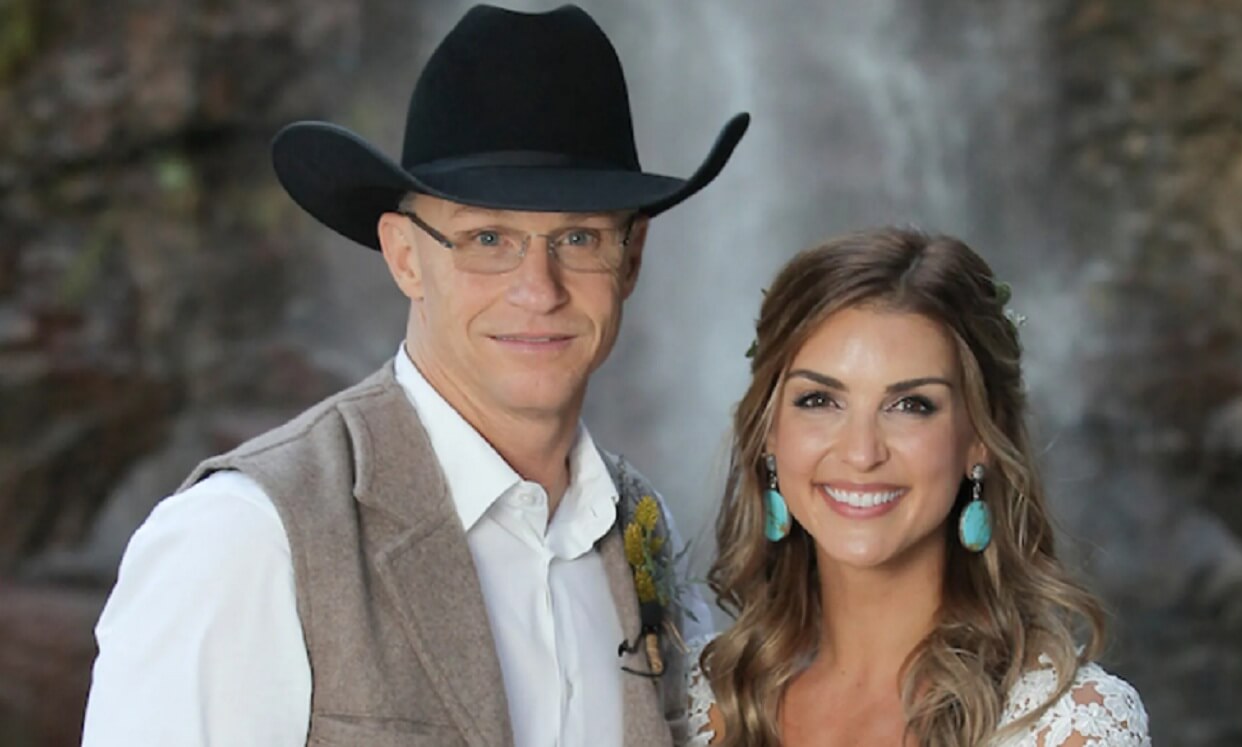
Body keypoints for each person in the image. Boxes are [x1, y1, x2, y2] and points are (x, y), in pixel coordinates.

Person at [82, 5, 749, 746]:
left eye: (578, 236)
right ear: (404, 256)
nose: (539, 288)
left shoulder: (645, 537)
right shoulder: (247, 536)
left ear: (631, 258)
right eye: (486, 238)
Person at [685, 229, 1149, 746]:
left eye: (911, 405)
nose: (862, 453)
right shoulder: (700, 701)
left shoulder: (1064, 726)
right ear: (769, 431)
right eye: (819, 400)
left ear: (979, 438)